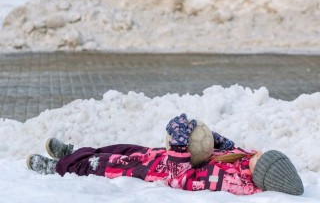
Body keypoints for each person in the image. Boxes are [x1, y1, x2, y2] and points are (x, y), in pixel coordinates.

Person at [27, 113, 304, 196]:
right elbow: (226, 149)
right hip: (157, 155)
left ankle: (58, 168)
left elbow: (182, 179)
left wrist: (182, 145)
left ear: (263, 173)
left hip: (154, 170)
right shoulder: (244, 159)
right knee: (117, 148)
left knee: (103, 165)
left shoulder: (233, 181)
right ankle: (74, 153)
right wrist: (215, 139)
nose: (258, 152)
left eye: (262, 157)